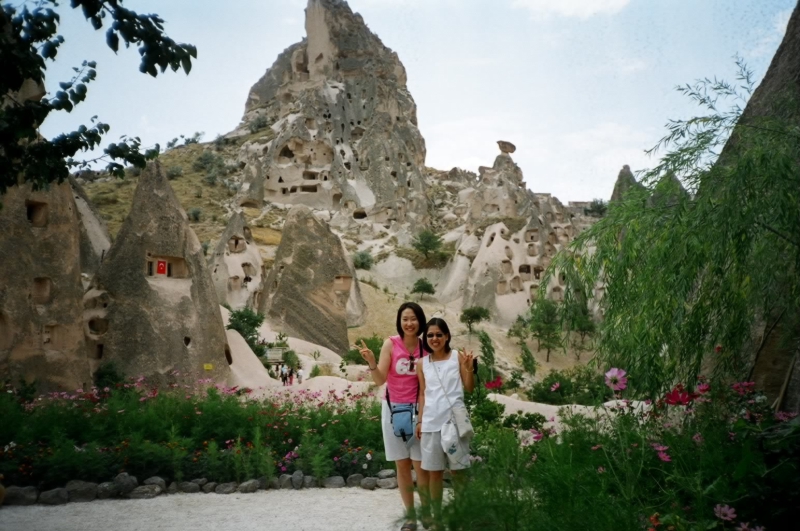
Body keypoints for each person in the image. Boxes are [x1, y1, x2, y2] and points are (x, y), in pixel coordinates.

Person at [358, 302, 431, 531]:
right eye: (405, 319)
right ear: (399, 321)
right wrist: (371, 362)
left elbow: (427, 386)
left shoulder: (425, 348)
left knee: (421, 466)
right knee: (402, 465)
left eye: (413, 319)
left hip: (418, 410)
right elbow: (380, 380)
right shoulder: (390, 344)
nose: (409, 323)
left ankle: (426, 513)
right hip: (393, 410)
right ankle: (410, 517)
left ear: (420, 321)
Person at [416, 317, 475, 525]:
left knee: (459, 472)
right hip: (431, 423)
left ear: (447, 336)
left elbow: (469, 387)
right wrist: (420, 421)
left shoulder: (457, 357)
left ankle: (462, 514)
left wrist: (468, 367)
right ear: (425, 338)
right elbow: (423, 394)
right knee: (434, 473)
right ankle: (437, 517)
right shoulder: (422, 364)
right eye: (430, 335)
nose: (434, 338)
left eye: (439, 334)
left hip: (454, 423)